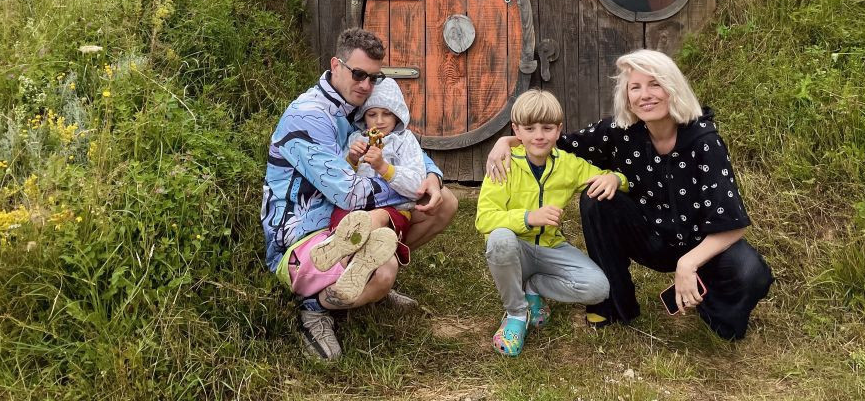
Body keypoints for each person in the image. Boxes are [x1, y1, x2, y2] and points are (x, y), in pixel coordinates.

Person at [487, 50, 773, 341]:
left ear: (673, 88)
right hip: (649, 237)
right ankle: (613, 303)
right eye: (635, 87)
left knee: (750, 270)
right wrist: (507, 141)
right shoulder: (620, 131)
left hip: (699, 243)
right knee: (596, 198)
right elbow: (554, 141)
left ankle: (711, 307)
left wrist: (688, 263)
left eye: (654, 84)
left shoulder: (705, 141)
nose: (644, 95)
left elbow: (733, 222)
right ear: (627, 96)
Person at [262, 28, 458, 361]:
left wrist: (430, 177)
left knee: (445, 202)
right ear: (335, 65)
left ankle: (361, 275)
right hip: (302, 237)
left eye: (373, 77)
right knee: (384, 272)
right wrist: (402, 189)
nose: (367, 85)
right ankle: (315, 307)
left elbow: (400, 142)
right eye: (358, 74)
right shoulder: (308, 116)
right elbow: (352, 195)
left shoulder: (358, 104)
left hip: (351, 220)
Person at [476, 89, 623, 356]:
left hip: (551, 247)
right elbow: (484, 218)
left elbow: (606, 177)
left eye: (547, 128)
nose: (539, 135)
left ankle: (534, 286)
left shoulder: (569, 165)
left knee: (598, 288)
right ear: (516, 131)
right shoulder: (502, 163)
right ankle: (516, 313)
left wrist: (615, 178)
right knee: (499, 239)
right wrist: (528, 218)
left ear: (558, 130)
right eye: (530, 128)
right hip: (516, 250)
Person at [335, 77, 426, 262]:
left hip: (393, 210)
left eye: (387, 114)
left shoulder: (405, 141)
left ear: (397, 115)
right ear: (363, 116)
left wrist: (384, 168)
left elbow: (417, 185)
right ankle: (340, 250)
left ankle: (343, 253)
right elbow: (337, 180)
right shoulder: (355, 140)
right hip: (356, 207)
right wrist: (352, 159)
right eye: (372, 114)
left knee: (376, 219)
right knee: (339, 217)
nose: (379, 121)